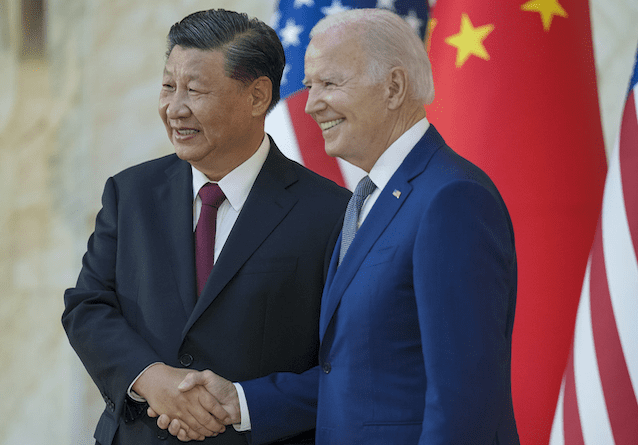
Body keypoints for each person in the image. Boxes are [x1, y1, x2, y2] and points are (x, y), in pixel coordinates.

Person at [161, 8, 520, 444]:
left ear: (394, 87)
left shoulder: (451, 199)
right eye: (310, 85)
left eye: (330, 84)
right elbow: (355, 373)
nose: (310, 104)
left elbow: (467, 400)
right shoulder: (367, 200)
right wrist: (242, 401)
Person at [62, 9, 351, 445]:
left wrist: (243, 403)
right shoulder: (130, 193)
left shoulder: (329, 213)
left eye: (195, 90)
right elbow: (87, 306)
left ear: (257, 97)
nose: (174, 108)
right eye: (167, 86)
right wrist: (151, 378)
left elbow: (346, 366)